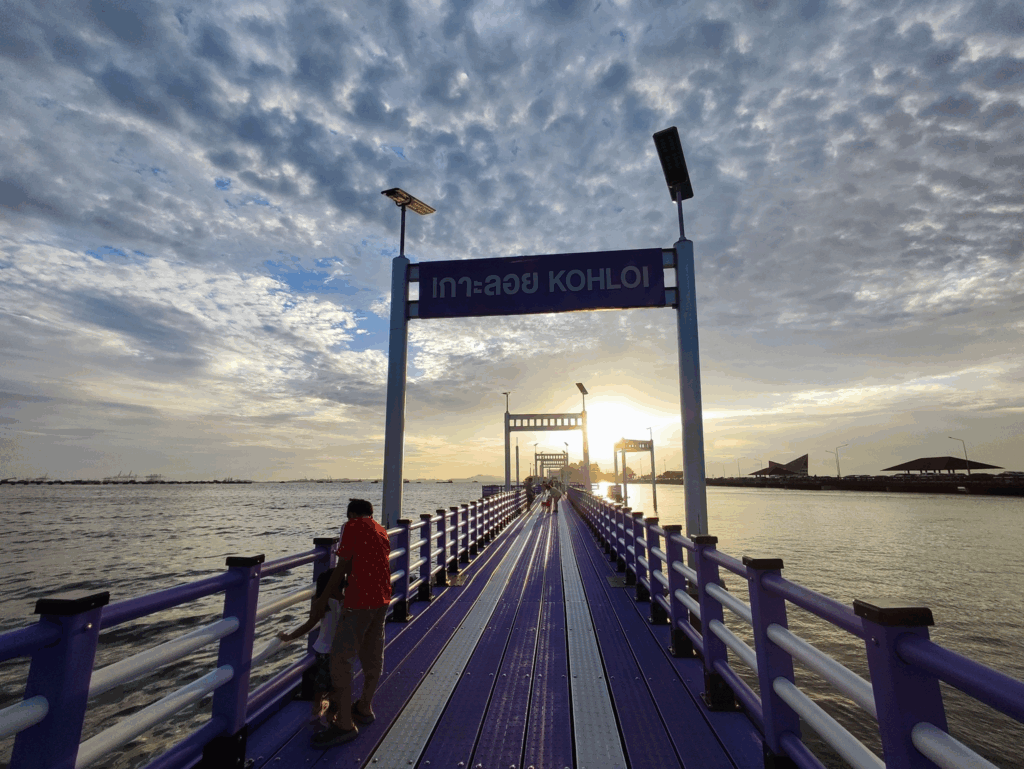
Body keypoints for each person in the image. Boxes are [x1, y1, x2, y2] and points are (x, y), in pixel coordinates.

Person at [309, 498, 392, 748]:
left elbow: (342, 564)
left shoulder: (352, 526)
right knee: (372, 654)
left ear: (352, 515)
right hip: (382, 599)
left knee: (340, 660)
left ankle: (344, 723)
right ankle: (365, 707)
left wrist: (322, 600)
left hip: (360, 601)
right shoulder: (381, 530)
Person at [276, 567, 343, 730]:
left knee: (321, 681)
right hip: (340, 651)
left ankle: (316, 708)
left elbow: (308, 625)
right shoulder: (345, 602)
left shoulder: (322, 604)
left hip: (322, 649)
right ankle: (331, 714)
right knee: (337, 683)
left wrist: (290, 636)